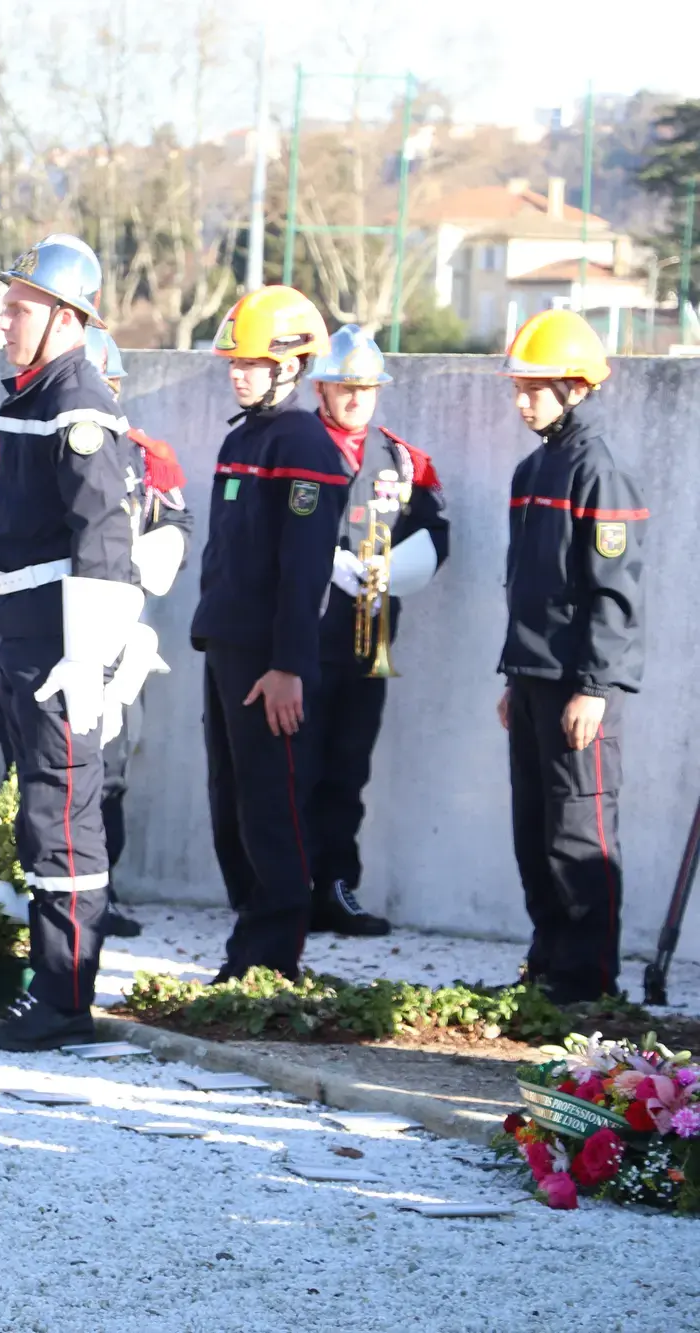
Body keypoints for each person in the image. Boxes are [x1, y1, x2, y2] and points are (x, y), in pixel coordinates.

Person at [0, 236, 145, 1052]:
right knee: (43, 816)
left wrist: (87, 657)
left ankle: (65, 995)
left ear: (66, 318)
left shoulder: (77, 400)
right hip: (25, 632)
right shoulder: (37, 393)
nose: (4, 319)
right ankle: (50, 984)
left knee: (62, 816)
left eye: (19, 307)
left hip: (58, 639)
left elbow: (105, 537)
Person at [189, 285, 347, 983]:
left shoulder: (303, 443)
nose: (240, 374)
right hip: (226, 645)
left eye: (253, 363)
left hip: (266, 658)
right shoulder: (243, 437)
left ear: (290, 366)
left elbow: (304, 570)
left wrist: (289, 665)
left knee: (269, 807)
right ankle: (246, 949)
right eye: (236, 363)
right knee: (231, 806)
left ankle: (273, 958)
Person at [496, 309, 644, 1004]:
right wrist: (513, 675)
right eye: (519, 387)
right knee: (535, 834)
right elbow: (527, 585)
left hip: (578, 687)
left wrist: (595, 687)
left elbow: (615, 592)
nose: (523, 401)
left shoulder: (597, 471)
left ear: (577, 388)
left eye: (535, 388)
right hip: (532, 680)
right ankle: (549, 968)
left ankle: (588, 985)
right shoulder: (532, 469)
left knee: (579, 835)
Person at [300, 325, 450, 936]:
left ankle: (336, 887)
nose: (356, 397)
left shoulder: (404, 460)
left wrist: (396, 568)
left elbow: (436, 534)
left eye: (367, 387)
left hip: (368, 641)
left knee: (347, 772)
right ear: (322, 389)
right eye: (345, 387)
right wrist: (327, 561)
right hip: (302, 643)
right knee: (296, 771)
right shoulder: (294, 445)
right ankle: (288, 890)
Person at [90, 326, 193, 939]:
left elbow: (179, 523)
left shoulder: (144, 456)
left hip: (118, 634)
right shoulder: (30, 444)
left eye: (106, 382)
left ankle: (100, 893)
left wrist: (152, 553)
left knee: (111, 771)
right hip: (49, 633)